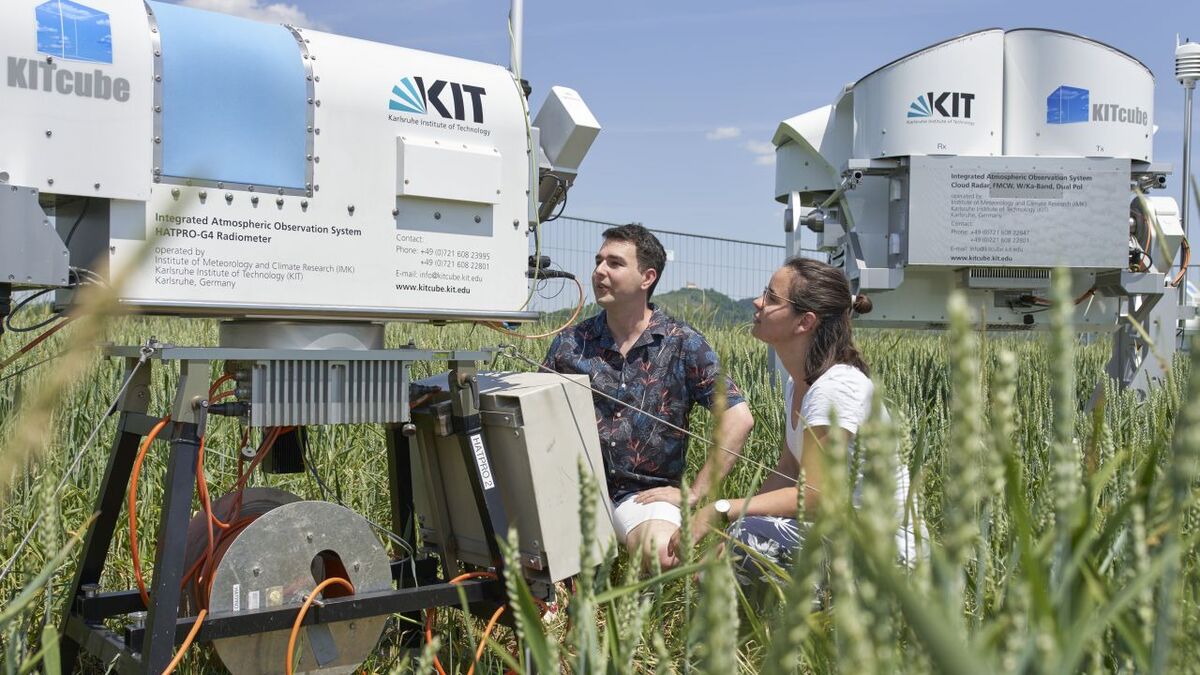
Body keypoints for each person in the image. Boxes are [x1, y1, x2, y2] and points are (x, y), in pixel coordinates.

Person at [669, 257, 917, 590]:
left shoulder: (835, 388)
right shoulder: (799, 383)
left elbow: (817, 495)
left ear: (805, 322)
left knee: (745, 548)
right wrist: (734, 532)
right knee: (740, 544)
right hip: (840, 534)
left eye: (771, 298)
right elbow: (788, 470)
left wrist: (723, 509)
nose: (758, 303)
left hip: (882, 552)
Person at [542, 224, 754, 570]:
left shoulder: (682, 343)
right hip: (570, 488)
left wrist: (697, 492)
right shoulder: (570, 342)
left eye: (614, 263)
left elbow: (738, 417)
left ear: (647, 277)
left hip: (641, 496)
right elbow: (535, 415)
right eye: (598, 261)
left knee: (662, 554)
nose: (599, 271)